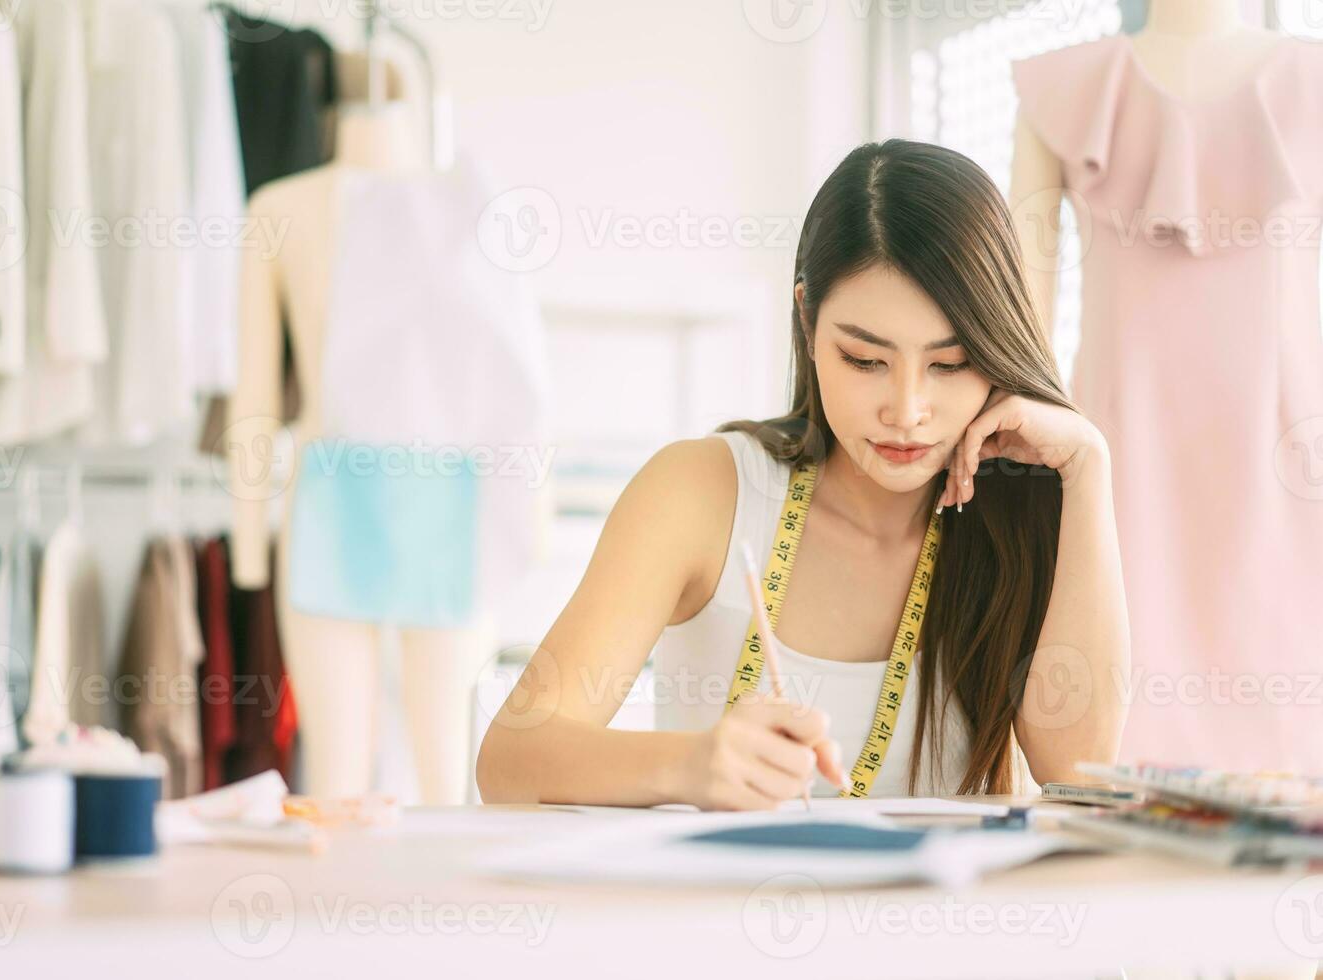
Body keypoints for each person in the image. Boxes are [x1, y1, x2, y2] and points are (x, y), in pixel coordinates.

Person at [476, 139, 1130, 809]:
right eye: (865, 359)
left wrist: (1088, 469)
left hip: (941, 916)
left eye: (950, 364)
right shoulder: (702, 493)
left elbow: (1077, 775)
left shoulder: (1021, 515)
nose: (906, 411)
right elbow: (510, 760)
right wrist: (691, 766)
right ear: (808, 321)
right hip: (710, 912)